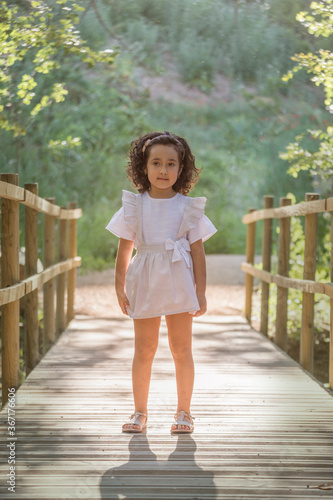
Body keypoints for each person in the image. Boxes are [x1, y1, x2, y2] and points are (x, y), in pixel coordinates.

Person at [105, 131, 217, 434]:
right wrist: (119, 287)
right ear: (144, 167)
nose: (163, 170)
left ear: (181, 169)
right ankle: (140, 411)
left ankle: (184, 411)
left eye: (171, 164)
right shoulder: (135, 206)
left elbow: (197, 251)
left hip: (179, 280)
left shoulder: (187, 207)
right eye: (156, 163)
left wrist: (201, 291)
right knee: (144, 348)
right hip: (145, 281)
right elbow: (125, 248)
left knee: (181, 348)